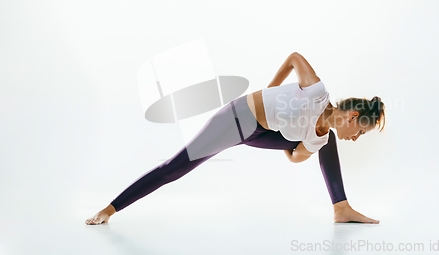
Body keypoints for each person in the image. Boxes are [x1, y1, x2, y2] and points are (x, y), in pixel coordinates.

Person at [85, 52, 385, 225]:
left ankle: (341, 209)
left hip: (264, 135)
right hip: (235, 120)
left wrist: (297, 141)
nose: (356, 139)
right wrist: (269, 90)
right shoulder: (317, 92)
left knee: (325, 139)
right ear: (352, 117)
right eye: (360, 132)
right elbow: (294, 58)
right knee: (174, 168)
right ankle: (109, 210)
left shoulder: (319, 140)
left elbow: (295, 157)